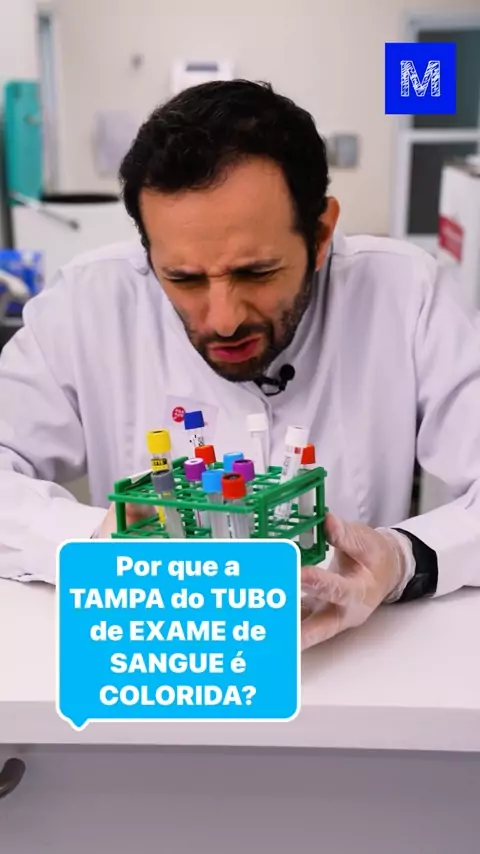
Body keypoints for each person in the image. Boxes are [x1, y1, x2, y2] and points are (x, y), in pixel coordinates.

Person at [1, 80, 480, 651]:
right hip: (156, 658)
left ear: (321, 234)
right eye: (183, 278)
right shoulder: (88, 302)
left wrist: (403, 559)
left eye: (255, 272)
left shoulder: (406, 294)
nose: (224, 320)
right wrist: (99, 546)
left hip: (354, 658)